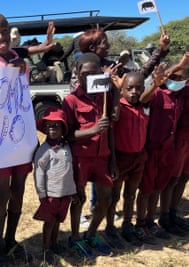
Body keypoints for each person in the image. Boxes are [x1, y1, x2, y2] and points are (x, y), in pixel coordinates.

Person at [0, 13, 55, 266]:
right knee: (2, 192)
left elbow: (22, 95)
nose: (0, 37)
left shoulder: (18, 58)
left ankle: (11, 238)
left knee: (19, 189)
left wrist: (27, 61)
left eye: (4, 31)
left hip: (21, 134)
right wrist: (9, 74)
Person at [62, 52, 118, 258]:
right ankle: (75, 238)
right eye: (85, 73)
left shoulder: (105, 94)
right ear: (77, 73)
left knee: (106, 199)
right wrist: (92, 131)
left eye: (94, 74)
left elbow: (111, 129)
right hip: (80, 159)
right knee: (78, 199)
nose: (89, 77)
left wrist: (112, 160)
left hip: (103, 158)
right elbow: (67, 135)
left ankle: (92, 233)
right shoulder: (71, 100)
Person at [136, 60, 187, 242]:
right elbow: (142, 99)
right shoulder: (158, 93)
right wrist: (155, 83)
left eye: (182, 78)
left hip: (169, 150)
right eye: (174, 77)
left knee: (158, 187)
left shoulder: (178, 97)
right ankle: (140, 223)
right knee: (146, 189)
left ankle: (151, 220)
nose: (177, 80)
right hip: (152, 150)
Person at [106, 71, 151, 248]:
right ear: (122, 90)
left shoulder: (144, 106)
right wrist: (113, 162)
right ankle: (110, 227)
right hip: (120, 158)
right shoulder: (119, 108)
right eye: (129, 88)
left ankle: (127, 224)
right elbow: (111, 134)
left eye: (138, 89)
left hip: (138, 158)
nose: (134, 92)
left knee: (130, 194)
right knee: (114, 196)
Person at [33, 107, 76, 265]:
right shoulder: (44, 151)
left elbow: (69, 169)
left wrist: (73, 191)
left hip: (65, 193)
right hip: (51, 194)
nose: (52, 129)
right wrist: (42, 194)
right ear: (44, 129)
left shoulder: (66, 147)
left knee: (58, 220)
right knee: (49, 222)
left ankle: (54, 243)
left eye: (56, 126)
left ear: (63, 129)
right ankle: (46, 248)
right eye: (49, 126)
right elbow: (38, 173)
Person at [153, 54, 189, 237]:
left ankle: (173, 213)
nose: (178, 80)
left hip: (186, 143)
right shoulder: (173, 90)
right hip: (176, 141)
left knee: (183, 178)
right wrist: (179, 66)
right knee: (171, 180)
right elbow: (163, 78)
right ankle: (165, 217)